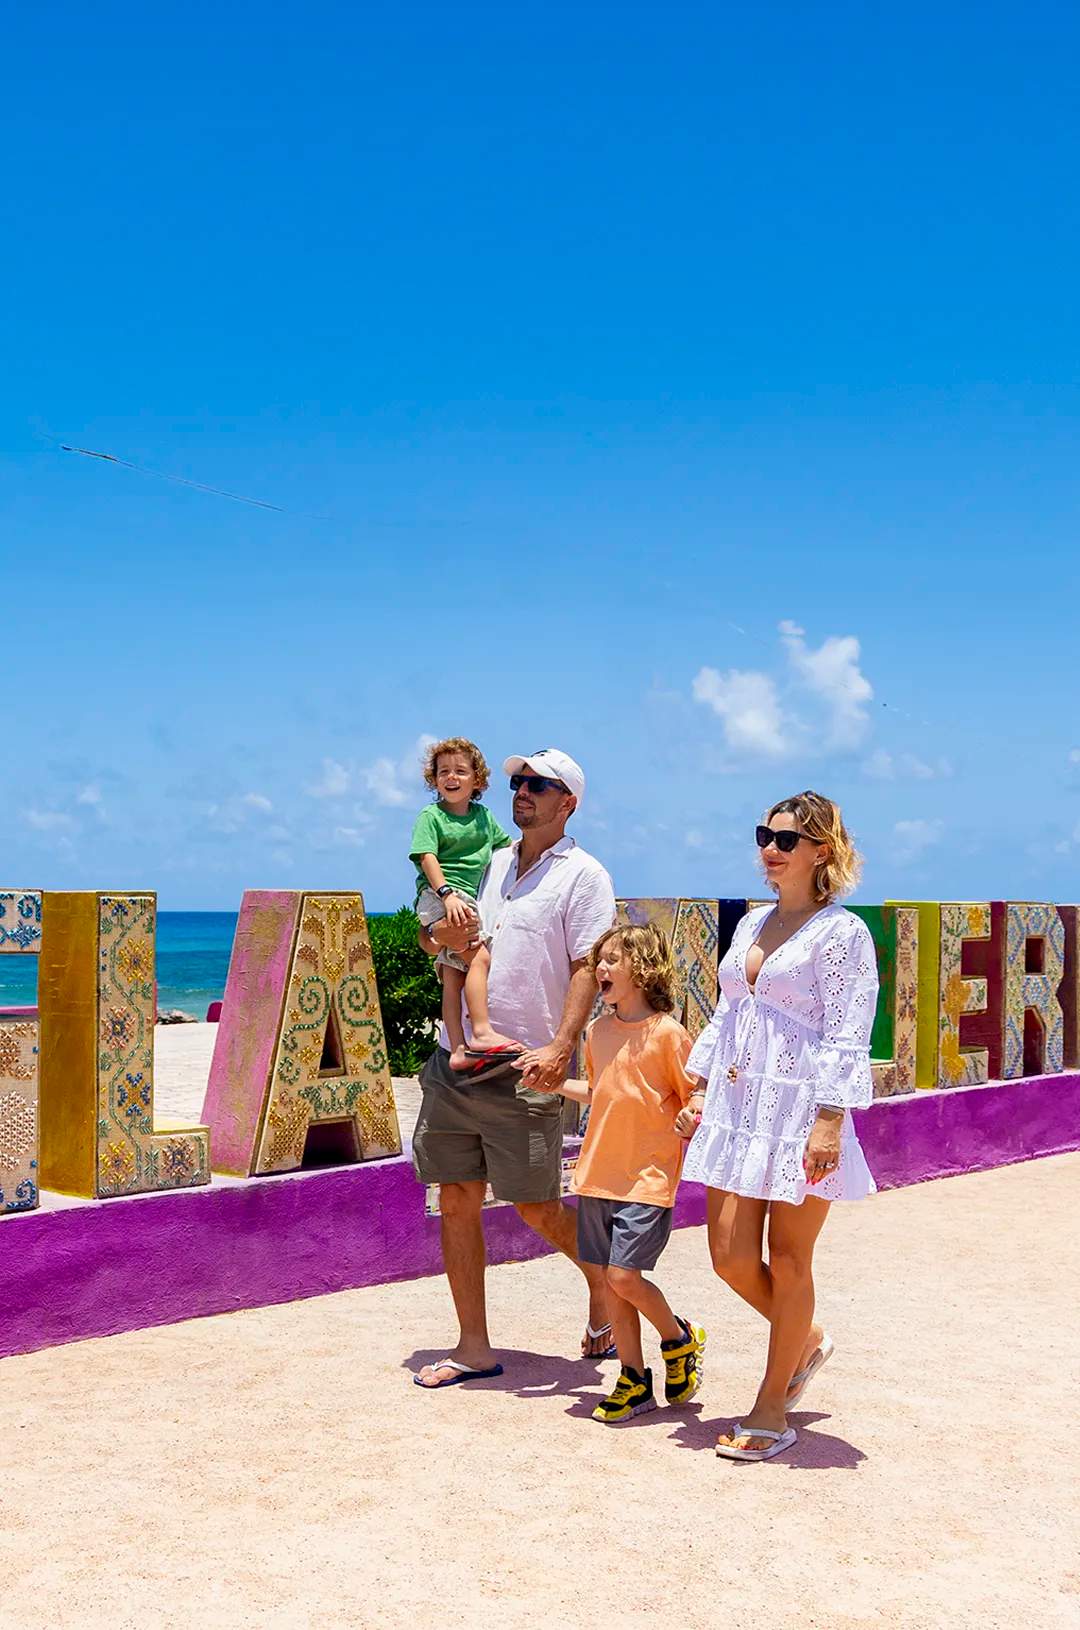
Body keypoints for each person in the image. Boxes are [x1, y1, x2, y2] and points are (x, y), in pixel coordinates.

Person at [411, 748, 618, 1389]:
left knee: (535, 1205)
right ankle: (474, 1346)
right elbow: (459, 942)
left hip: (528, 1065)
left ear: (568, 802)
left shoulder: (584, 876)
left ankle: (603, 1278)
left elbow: (589, 966)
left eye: (537, 784)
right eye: (518, 782)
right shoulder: (497, 863)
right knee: (456, 1199)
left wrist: (561, 1049)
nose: (521, 790)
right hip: (460, 1061)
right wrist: (430, 941)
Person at [682, 790, 878, 1462]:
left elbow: (850, 1031)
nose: (770, 847)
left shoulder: (842, 933)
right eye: (764, 834)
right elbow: (727, 1014)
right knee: (730, 1256)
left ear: (821, 850)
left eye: (786, 839)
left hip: (801, 1110)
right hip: (739, 1108)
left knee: (791, 1260)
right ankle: (808, 1339)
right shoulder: (751, 925)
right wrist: (701, 1086)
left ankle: (771, 1407)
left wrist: (829, 1119)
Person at [550, 922, 707, 1424]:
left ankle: (677, 1338)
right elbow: (600, 1094)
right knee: (614, 1281)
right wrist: (553, 1083)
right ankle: (633, 1380)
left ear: (642, 969)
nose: (600, 968)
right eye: (599, 959)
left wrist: (691, 1114)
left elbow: (695, 1095)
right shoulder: (597, 1032)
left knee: (624, 1275)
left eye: (612, 959)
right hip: (598, 1174)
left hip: (647, 1177)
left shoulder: (668, 1034)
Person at [409, 737, 521, 1072]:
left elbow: (508, 847)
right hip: (441, 895)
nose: (451, 777)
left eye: (460, 770)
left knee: (453, 972)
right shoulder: (431, 816)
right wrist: (446, 893)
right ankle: (482, 1031)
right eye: (443, 772)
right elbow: (426, 856)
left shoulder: (484, 818)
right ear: (434, 780)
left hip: (463, 898)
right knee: (479, 958)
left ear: (478, 780)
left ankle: (458, 1048)